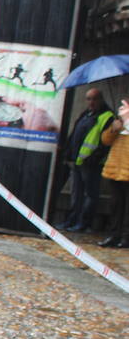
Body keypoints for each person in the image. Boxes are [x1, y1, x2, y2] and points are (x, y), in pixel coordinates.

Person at [62, 88, 114, 233]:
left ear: (100, 99)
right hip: (77, 161)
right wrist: (68, 153)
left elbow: (105, 142)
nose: (91, 102)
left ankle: (84, 223)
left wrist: (94, 157)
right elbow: (74, 134)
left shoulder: (107, 116)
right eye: (88, 99)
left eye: (94, 99)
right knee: (76, 194)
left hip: (91, 163)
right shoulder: (85, 114)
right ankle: (72, 220)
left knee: (90, 194)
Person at [96, 98, 129, 248]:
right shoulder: (119, 123)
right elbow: (105, 140)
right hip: (115, 170)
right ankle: (113, 235)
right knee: (115, 205)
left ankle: (125, 237)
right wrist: (114, 129)